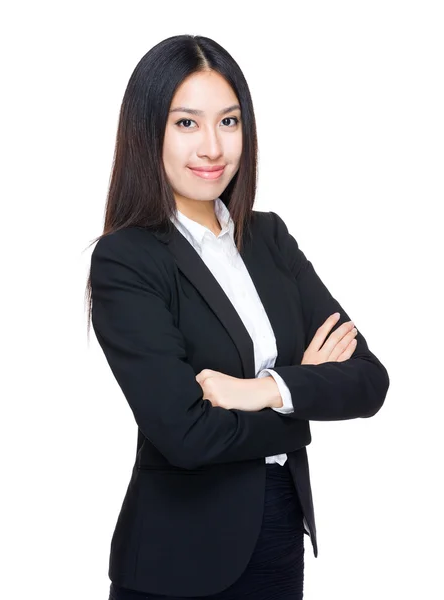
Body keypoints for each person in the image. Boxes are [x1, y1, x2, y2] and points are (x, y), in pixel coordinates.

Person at [85, 34, 390, 600]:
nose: (212, 147)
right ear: (147, 130)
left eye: (228, 122)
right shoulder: (128, 259)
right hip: (176, 561)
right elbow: (185, 435)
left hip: (278, 537)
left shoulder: (268, 237)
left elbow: (369, 381)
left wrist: (261, 391)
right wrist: (303, 400)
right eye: (186, 123)